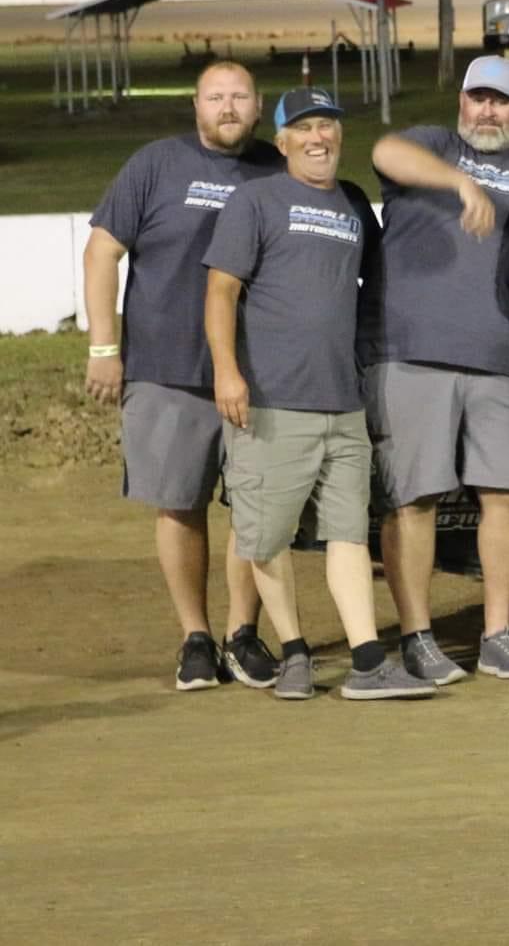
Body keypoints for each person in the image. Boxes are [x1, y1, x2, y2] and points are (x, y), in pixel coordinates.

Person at [202, 87, 432, 700]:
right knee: (267, 536)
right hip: (271, 401)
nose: (318, 137)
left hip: (343, 402)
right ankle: (296, 651)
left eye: (327, 126)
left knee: (348, 534)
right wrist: (227, 372)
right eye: (303, 128)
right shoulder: (255, 200)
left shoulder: (355, 203)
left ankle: (366, 660)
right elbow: (221, 290)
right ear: (281, 141)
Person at [82, 60, 285, 691]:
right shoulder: (154, 165)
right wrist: (102, 348)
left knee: (256, 512)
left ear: (258, 108)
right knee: (180, 505)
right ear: (196, 106)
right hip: (168, 367)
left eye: (239, 97)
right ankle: (195, 637)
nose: (227, 107)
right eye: (215, 97)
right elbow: (101, 252)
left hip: (261, 373)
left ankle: (242, 635)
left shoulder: (279, 171)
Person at [358, 55, 509, 684]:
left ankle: (498, 634)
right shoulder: (430, 146)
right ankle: (417, 637)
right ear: (461, 103)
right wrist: (462, 185)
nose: (488, 111)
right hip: (411, 352)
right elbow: (385, 151)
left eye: (501, 101)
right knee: (412, 498)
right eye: (478, 98)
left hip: (505, 358)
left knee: (507, 495)